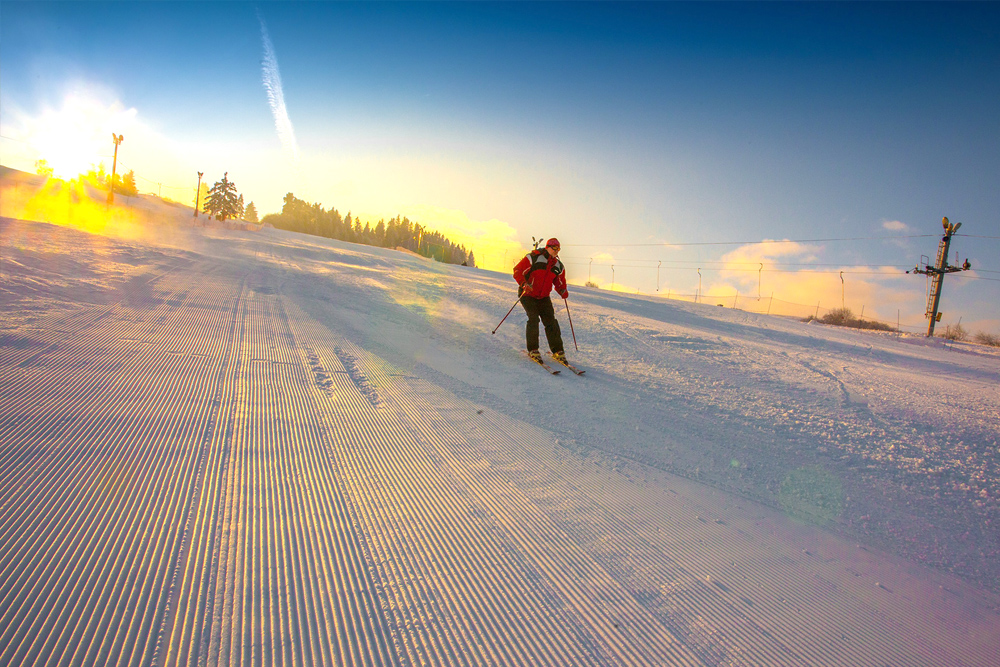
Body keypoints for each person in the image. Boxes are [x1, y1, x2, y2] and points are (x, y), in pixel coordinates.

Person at [513, 238, 568, 364]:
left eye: (558, 249)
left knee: (551, 322)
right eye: (554, 248)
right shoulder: (533, 257)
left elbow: (559, 282)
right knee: (533, 318)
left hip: (543, 297)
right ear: (547, 247)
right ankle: (533, 349)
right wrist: (523, 284)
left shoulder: (558, 265)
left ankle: (558, 351)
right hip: (528, 293)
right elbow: (517, 271)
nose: (556, 251)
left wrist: (562, 291)